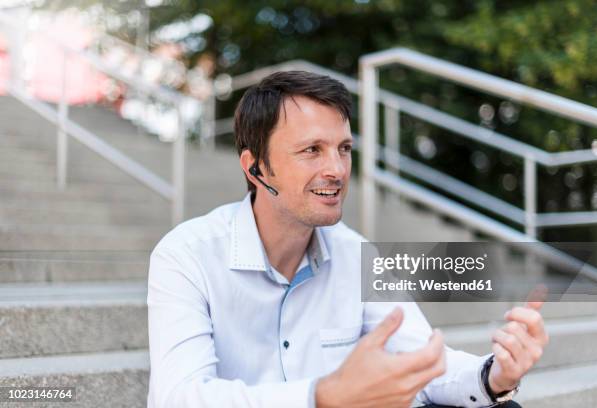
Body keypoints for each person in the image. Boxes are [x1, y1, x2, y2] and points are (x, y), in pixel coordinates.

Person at [147, 71, 548, 408]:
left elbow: (421, 362)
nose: (336, 169)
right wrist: (320, 395)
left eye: (343, 149)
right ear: (256, 168)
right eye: (312, 151)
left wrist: (495, 375)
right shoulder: (187, 255)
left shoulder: (353, 252)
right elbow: (179, 397)